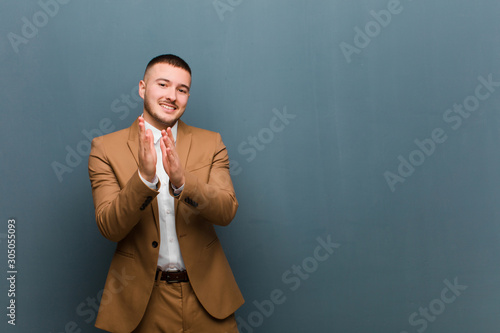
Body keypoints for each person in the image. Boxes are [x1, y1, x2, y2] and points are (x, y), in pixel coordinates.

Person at [88, 54, 244, 333]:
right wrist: (144, 179)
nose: (172, 96)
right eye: (163, 84)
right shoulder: (104, 149)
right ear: (142, 88)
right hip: (142, 303)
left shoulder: (212, 143)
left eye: (182, 90)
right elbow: (109, 227)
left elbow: (226, 211)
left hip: (208, 299)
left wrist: (183, 180)